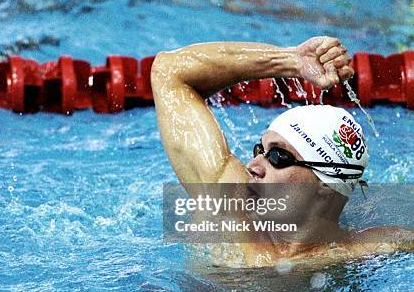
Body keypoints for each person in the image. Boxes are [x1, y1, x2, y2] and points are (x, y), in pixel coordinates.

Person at [151, 36, 413, 267]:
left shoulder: (369, 250)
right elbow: (169, 71)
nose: (253, 165)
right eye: (260, 150)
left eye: (278, 156)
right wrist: (292, 61)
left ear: (326, 181)